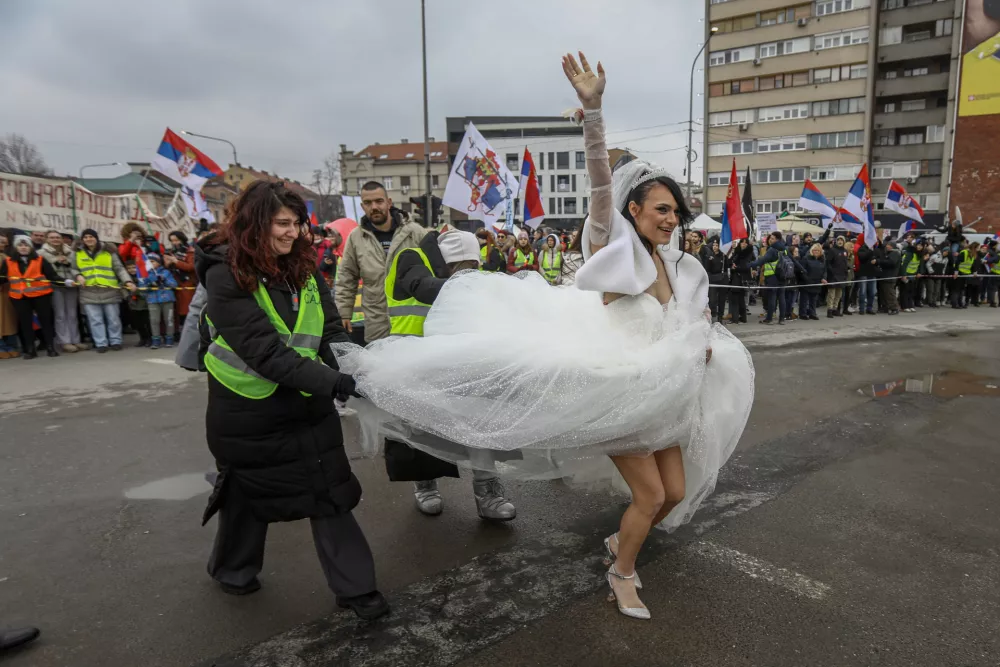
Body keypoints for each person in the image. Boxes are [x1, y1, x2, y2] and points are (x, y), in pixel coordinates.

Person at [336, 51, 753, 621]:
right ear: (636, 210)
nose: (671, 218)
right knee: (650, 496)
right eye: (661, 209)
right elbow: (603, 183)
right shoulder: (614, 245)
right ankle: (621, 572)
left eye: (676, 212)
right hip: (621, 387)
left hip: (668, 391)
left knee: (674, 494)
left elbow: (691, 317)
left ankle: (618, 542)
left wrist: (702, 343)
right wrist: (594, 113)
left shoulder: (681, 266)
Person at [198, 180, 388, 620]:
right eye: (281, 223)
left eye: (296, 223)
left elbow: (329, 331)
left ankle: (356, 589)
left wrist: (353, 367)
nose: (291, 232)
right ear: (254, 224)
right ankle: (233, 569)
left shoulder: (303, 267)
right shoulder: (224, 273)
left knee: (328, 490)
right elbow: (264, 352)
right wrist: (336, 385)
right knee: (247, 490)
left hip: (306, 403)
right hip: (247, 409)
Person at [381, 227, 517, 520]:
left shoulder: (464, 277)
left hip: (457, 361)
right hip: (412, 360)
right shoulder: (411, 257)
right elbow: (422, 286)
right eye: (461, 269)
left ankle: (487, 492)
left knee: (480, 422)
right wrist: (474, 287)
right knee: (419, 431)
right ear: (448, 261)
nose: (467, 275)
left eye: (473, 269)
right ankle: (425, 486)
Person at [335, 181, 427, 345]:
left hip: (412, 322)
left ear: (389, 202)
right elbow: (346, 277)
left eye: (379, 201)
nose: (374, 207)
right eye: (368, 203)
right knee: (380, 368)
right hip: (377, 322)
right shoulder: (356, 237)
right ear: (363, 206)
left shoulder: (414, 232)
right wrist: (344, 313)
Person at [71, 228, 136, 352]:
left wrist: (128, 281)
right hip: (89, 291)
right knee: (95, 320)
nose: (89, 239)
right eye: (86, 237)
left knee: (113, 318)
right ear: (82, 239)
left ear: (96, 238)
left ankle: (115, 341)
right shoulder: (77, 252)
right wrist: (78, 275)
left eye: (91, 237)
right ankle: (101, 343)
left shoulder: (108, 251)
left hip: (109, 289)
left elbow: (119, 268)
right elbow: (73, 268)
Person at [0, 235, 61, 358]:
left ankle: (50, 347)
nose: (23, 248)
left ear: (31, 247)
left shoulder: (40, 259)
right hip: (19, 297)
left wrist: (66, 281)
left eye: (26, 245)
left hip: (41, 295)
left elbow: (52, 276)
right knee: (25, 323)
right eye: (20, 245)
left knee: (46, 321)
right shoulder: (8, 262)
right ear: (16, 247)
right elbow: (1, 278)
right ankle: (30, 349)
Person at [39, 230, 86, 352]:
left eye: (57, 237)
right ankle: (64, 341)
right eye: (52, 237)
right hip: (54, 286)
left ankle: (75, 340)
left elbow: (76, 267)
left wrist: (67, 263)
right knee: (60, 315)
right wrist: (57, 261)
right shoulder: (41, 253)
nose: (55, 239)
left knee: (72, 314)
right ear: (46, 239)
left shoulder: (70, 252)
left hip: (71, 284)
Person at [139, 252, 179, 349]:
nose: (150, 263)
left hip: (167, 299)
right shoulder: (145, 274)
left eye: (152, 261)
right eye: (148, 261)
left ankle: (169, 338)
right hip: (152, 300)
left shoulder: (166, 272)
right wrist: (148, 284)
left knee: (168, 319)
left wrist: (163, 279)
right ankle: (156, 340)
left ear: (158, 262)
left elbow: (174, 284)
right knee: (154, 320)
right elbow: (141, 290)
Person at [750, 231, 788, 325]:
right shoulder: (784, 249)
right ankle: (782, 319)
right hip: (783, 276)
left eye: (772, 238)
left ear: (777, 239)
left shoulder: (772, 250)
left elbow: (762, 260)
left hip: (772, 276)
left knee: (772, 298)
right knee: (782, 298)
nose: (770, 240)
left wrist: (749, 265)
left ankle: (769, 319)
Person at [163, 231, 196, 328]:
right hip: (174, 283)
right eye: (172, 241)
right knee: (176, 310)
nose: (174, 243)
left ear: (182, 239)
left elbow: (191, 267)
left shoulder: (190, 251)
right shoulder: (171, 252)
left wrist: (176, 261)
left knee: (186, 310)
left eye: (176, 240)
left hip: (187, 283)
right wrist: (167, 264)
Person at [0, 233, 20, 359]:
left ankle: (9, 344)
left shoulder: (6, 256)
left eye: (4, 242)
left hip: (7, 292)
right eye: (0, 241)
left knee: (8, 320)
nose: (2, 244)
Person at [124, 261, 152, 347]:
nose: (132, 270)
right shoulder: (127, 280)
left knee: (147, 322)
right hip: (133, 304)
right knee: (138, 324)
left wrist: (137, 292)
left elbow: (146, 289)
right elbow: (122, 288)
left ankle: (150, 339)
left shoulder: (142, 277)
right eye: (129, 268)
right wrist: (127, 296)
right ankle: (142, 338)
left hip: (144, 304)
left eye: (133, 267)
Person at [797, 243, 827, 321]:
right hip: (806, 282)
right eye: (814, 250)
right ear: (811, 251)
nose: (816, 251)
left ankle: (812, 313)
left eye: (818, 250)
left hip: (817, 282)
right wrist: (807, 279)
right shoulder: (806, 258)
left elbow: (824, 271)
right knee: (804, 300)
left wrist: (823, 278)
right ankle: (802, 314)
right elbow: (802, 271)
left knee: (813, 300)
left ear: (820, 251)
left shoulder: (822, 260)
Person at [727, 237, 753, 324]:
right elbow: (730, 261)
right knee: (738, 299)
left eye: (746, 242)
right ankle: (740, 318)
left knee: (737, 299)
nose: (744, 244)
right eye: (742, 242)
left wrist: (736, 268)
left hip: (741, 278)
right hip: (735, 277)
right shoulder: (737, 252)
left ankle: (736, 319)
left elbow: (746, 266)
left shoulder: (749, 253)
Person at [701, 237, 727, 322]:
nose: (715, 247)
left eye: (717, 245)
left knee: (721, 299)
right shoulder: (709, 255)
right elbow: (707, 268)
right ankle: (712, 315)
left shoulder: (723, 256)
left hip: (722, 279)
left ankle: (720, 317)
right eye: (714, 245)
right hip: (712, 279)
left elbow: (727, 267)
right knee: (712, 300)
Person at [898, 238, 926, 313]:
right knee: (905, 291)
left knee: (911, 291)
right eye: (918, 245)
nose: (919, 247)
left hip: (913, 275)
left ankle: (910, 305)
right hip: (906, 275)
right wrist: (903, 275)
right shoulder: (910, 253)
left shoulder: (920, 254)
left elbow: (921, 265)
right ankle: (904, 306)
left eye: (921, 246)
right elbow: (904, 265)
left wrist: (920, 272)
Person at [825, 236, 849, 318]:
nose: (840, 241)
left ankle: (835, 309)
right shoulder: (832, 250)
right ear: (836, 241)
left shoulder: (845, 251)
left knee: (839, 294)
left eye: (842, 240)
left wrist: (846, 272)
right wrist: (832, 272)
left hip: (842, 276)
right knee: (831, 294)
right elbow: (828, 263)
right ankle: (829, 310)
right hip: (833, 276)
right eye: (838, 240)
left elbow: (845, 263)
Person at [879, 240, 901, 315]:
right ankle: (888, 307)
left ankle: (894, 308)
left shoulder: (895, 253)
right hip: (886, 276)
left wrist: (880, 261)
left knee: (890, 293)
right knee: (886, 293)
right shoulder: (888, 253)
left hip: (890, 276)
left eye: (889, 245)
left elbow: (891, 263)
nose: (887, 246)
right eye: (887, 245)